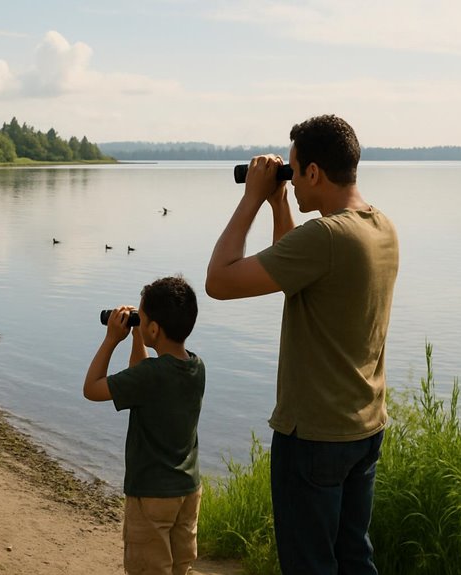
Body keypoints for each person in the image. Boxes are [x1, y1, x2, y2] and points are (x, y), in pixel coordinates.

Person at [205, 114, 399, 574]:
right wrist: (278, 206)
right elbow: (296, 276)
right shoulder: (380, 227)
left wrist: (252, 198)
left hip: (313, 436)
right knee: (354, 556)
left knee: (308, 565)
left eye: (293, 172)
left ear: (313, 172)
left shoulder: (326, 237)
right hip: (364, 427)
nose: (289, 184)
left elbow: (218, 280)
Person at [84, 276, 205, 575]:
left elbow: (92, 388)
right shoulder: (195, 366)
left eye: (142, 317)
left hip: (151, 494)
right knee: (180, 568)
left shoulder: (149, 376)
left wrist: (112, 339)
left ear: (154, 328)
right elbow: (143, 373)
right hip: (188, 492)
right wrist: (139, 335)